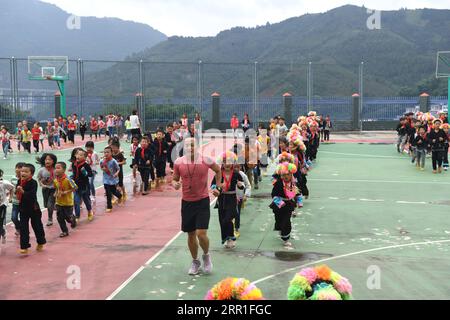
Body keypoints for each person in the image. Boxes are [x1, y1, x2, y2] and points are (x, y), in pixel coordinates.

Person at [172, 138, 221, 275]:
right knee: (191, 234)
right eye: (187, 145)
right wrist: (175, 184)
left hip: (202, 201)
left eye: (192, 145)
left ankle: (206, 256)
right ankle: (195, 261)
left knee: (201, 233)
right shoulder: (178, 162)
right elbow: (175, 179)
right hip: (187, 202)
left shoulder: (206, 160)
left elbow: (218, 171)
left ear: (197, 146)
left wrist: (217, 187)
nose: (190, 147)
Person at [270, 162, 302, 248]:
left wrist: (299, 202)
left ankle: (286, 238)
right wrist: (279, 202)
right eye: (284, 175)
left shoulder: (294, 183)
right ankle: (281, 228)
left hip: (289, 204)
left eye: (288, 174)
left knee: (286, 221)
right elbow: (273, 195)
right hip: (278, 204)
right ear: (281, 175)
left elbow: (298, 193)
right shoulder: (278, 183)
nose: (286, 176)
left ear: (291, 174)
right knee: (279, 220)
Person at [16, 163, 46, 254]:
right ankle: (24, 247)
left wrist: (23, 191)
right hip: (23, 209)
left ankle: (40, 242)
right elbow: (17, 194)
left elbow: (32, 196)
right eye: (22, 171)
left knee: (37, 226)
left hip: (34, 209)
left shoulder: (33, 183)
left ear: (31, 174)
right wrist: (16, 192)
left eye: (26, 171)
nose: (23, 173)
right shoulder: (19, 181)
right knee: (23, 228)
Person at [54, 162, 77, 237]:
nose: (56, 170)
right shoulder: (55, 180)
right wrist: (56, 193)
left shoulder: (68, 179)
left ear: (64, 170)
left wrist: (66, 192)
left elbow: (75, 187)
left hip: (68, 203)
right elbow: (56, 189)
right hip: (59, 202)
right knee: (59, 218)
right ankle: (64, 231)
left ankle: (72, 219)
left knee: (68, 218)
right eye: (55, 168)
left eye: (58, 168)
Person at [72, 149, 94, 222]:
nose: (78, 156)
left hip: (84, 186)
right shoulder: (74, 164)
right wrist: (71, 178)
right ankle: (77, 216)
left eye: (81, 155)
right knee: (76, 201)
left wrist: (85, 173)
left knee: (86, 200)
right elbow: (75, 174)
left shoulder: (86, 165)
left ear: (85, 157)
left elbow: (90, 174)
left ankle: (90, 212)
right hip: (76, 187)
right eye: (77, 154)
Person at [37, 153, 57, 226]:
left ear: (53, 161)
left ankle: (50, 219)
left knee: (49, 205)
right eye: (46, 159)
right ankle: (54, 206)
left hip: (53, 189)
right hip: (45, 189)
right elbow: (39, 179)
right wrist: (42, 184)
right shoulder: (41, 170)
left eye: (49, 159)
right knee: (46, 205)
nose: (47, 161)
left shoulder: (55, 170)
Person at [100, 146, 122, 212]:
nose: (106, 154)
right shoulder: (102, 161)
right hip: (105, 180)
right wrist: (103, 169)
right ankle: (109, 206)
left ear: (111, 153)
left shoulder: (113, 161)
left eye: (108, 152)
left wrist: (116, 173)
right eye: (105, 152)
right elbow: (101, 167)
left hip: (112, 180)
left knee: (114, 191)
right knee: (108, 193)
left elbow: (118, 169)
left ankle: (120, 196)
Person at [0, 169, 14, 244]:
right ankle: (3, 232)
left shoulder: (4, 183)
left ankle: (2, 232)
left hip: (2, 205)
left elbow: (12, 188)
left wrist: (10, 198)